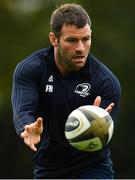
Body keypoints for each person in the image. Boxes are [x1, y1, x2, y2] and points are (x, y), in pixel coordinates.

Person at [11, 3, 121, 179]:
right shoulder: (31, 69)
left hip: (92, 169)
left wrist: (100, 125)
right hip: (47, 170)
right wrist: (27, 126)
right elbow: (24, 109)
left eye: (85, 39)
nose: (80, 48)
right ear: (54, 39)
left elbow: (102, 139)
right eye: (72, 40)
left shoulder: (106, 82)